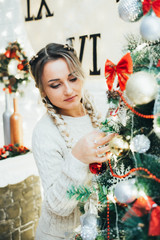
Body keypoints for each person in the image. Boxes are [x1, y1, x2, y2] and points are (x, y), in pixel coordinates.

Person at [29, 43, 115, 240]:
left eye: (73, 78)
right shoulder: (44, 133)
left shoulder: (102, 107)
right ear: (43, 90)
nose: (68, 90)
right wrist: (77, 158)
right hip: (62, 235)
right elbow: (57, 206)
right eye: (55, 85)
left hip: (102, 229)